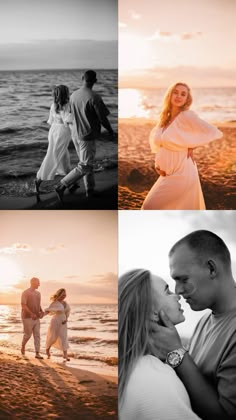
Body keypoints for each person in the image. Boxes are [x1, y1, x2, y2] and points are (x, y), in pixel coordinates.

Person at [153, 230, 236, 420]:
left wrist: (176, 351)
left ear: (211, 269)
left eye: (183, 279)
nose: (178, 291)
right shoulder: (204, 321)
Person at [119, 268, 201, 420]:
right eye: (167, 292)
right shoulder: (156, 378)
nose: (177, 295)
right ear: (152, 312)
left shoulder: (129, 366)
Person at [142, 82, 223, 210]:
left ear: (187, 99)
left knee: (149, 207)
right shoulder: (165, 119)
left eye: (183, 94)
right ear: (170, 95)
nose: (178, 96)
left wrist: (192, 146)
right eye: (176, 92)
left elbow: (212, 132)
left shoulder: (187, 116)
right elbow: (160, 144)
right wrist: (158, 164)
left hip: (182, 172)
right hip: (165, 174)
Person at [55, 70, 114, 203]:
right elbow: (102, 118)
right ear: (95, 81)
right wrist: (110, 130)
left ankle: (90, 191)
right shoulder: (94, 97)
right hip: (87, 135)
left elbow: (70, 115)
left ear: (82, 78)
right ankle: (61, 185)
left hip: (75, 134)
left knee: (87, 164)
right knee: (86, 164)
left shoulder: (74, 95)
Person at [35, 85, 73, 195]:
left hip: (53, 130)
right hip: (62, 131)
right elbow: (67, 120)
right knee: (54, 156)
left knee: (63, 155)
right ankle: (38, 179)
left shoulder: (53, 105)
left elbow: (50, 121)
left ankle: (69, 179)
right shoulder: (67, 105)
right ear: (66, 94)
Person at [21, 277, 44, 359]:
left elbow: (38, 304)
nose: (39, 284)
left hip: (37, 318)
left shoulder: (38, 293)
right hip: (27, 317)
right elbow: (23, 305)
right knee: (28, 335)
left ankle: (37, 353)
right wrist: (31, 314)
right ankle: (23, 346)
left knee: (37, 335)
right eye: (38, 283)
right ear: (33, 283)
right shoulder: (25, 292)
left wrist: (41, 311)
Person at [44, 288, 70, 361]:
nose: (63, 296)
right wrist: (42, 315)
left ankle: (65, 355)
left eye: (65, 295)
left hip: (63, 322)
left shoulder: (65, 303)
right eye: (62, 295)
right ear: (59, 295)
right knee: (53, 337)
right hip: (56, 321)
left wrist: (66, 319)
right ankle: (47, 350)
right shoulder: (55, 303)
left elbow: (67, 312)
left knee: (63, 337)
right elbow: (49, 310)